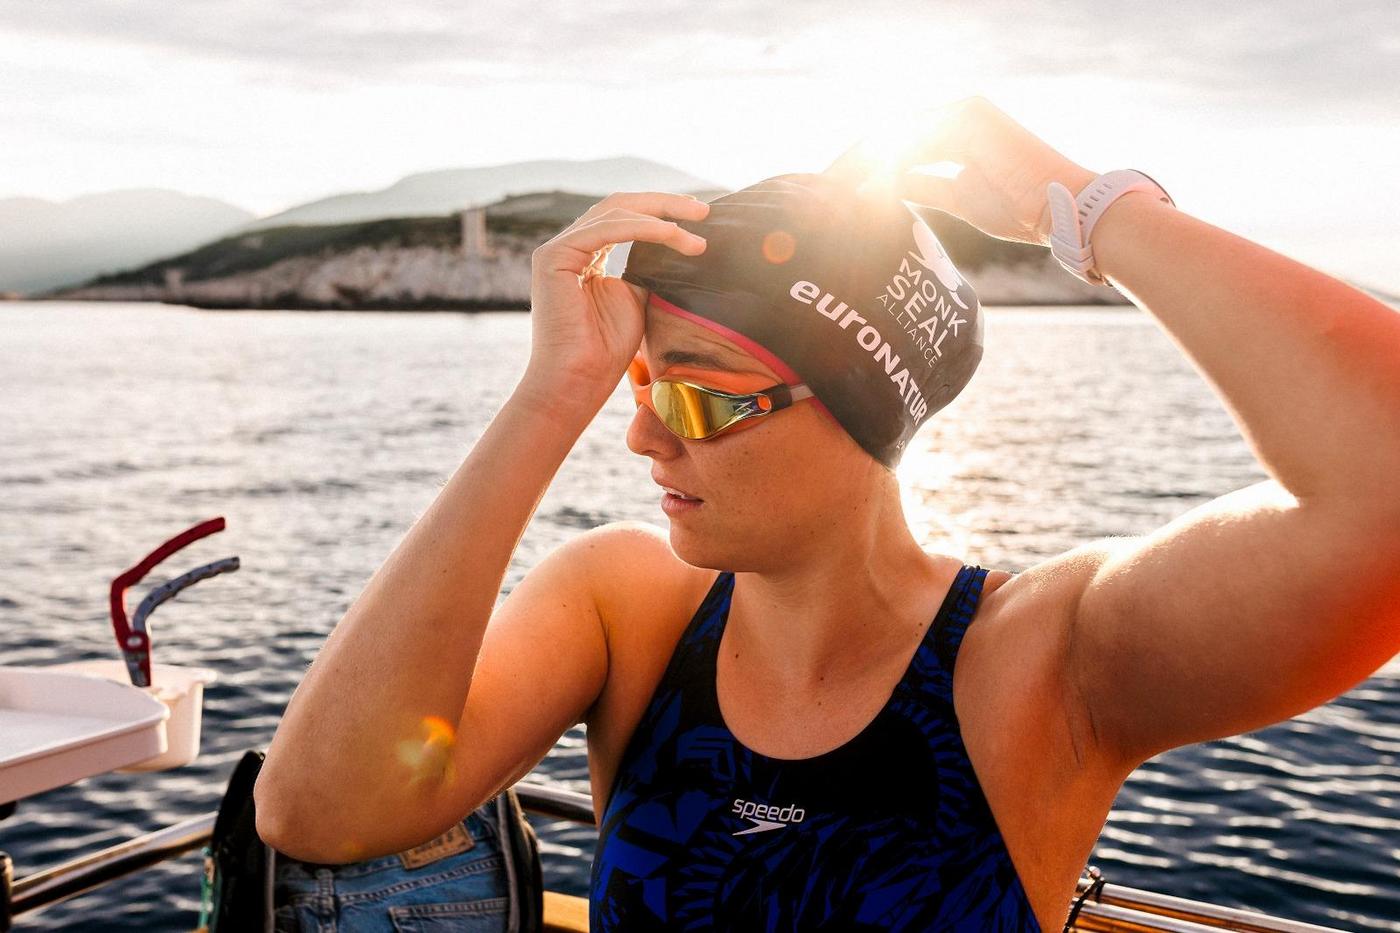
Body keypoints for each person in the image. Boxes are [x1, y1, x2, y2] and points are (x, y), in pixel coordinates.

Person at [252, 96, 1400, 931]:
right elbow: (320, 815)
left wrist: (1087, 208)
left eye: (698, 394)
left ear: (863, 408)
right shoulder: (625, 608)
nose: (645, 434)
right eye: (642, 386)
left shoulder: (1044, 660)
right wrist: (550, 394)